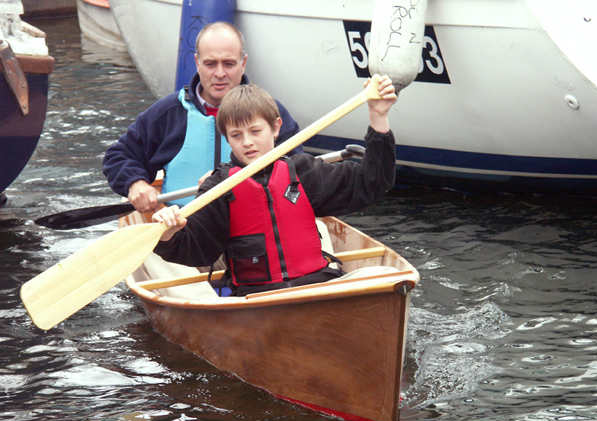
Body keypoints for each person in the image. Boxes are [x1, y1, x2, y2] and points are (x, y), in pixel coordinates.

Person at [151, 75, 397, 296]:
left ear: (276, 127)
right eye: (236, 136)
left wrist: (379, 116)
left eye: (255, 131)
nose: (247, 142)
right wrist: (169, 233)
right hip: (256, 298)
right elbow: (196, 250)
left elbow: (373, 181)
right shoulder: (219, 187)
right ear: (228, 138)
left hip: (317, 287)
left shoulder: (302, 171)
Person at [102, 21, 302, 212]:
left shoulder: (270, 112)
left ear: (243, 63)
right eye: (210, 64)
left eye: (229, 63)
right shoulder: (168, 113)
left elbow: (299, 168)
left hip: (252, 225)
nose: (220, 73)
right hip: (183, 224)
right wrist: (134, 183)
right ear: (197, 62)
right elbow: (118, 156)